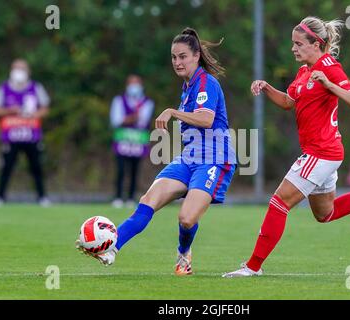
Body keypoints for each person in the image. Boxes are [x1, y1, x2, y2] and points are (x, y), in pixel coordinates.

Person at [77, 27, 237, 275]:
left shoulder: (206, 82)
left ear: (196, 56)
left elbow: (206, 119)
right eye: (174, 57)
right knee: (147, 202)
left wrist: (172, 112)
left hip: (214, 159)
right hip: (189, 157)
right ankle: (110, 247)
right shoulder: (188, 86)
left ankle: (184, 252)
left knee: (186, 219)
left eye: (183, 56)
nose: (177, 62)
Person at [223, 16, 350, 278]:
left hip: (321, 152)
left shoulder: (329, 67)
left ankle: (253, 267)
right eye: (293, 43)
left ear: (316, 43)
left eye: (298, 43)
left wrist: (329, 84)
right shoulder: (304, 72)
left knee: (279, 202)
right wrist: (266, 87)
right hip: (324, 153)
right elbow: (290, 102)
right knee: (326, 214)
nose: (293, 48)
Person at [0, 59, 50, 207]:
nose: (19, 71)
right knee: (6, 168)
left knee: (36, 167)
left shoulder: (36, 88)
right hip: (10, 137)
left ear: (28, 71)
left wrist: (35, 114)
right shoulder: (3, 88)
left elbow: (45, 109)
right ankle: (0, 197)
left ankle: (42, 197)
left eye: (22, 68)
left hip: (31, 136)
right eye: (16, 68)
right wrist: (10, 110)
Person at [110, 74, 154, 209]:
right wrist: (132, 118)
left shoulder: (147, 102)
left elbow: (143, 121)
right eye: (131, 83)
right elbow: (116, 120)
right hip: (122, 139)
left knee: (135, 170)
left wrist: (127, 119)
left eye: (137, 83)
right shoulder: (118, 100)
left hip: (138, 141)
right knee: (121, 169)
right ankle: (117, 197)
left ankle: (131, 197)